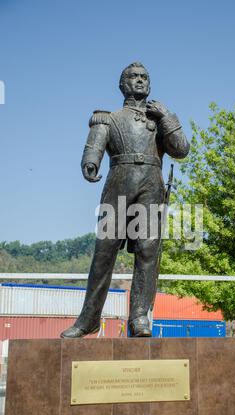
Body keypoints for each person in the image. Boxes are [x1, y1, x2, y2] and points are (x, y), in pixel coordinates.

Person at [60, 62, 189, 338]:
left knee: (147, 250)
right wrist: (91, 162)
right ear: (122, 84)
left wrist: (168, 117)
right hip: (119, 183)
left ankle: (140, 318)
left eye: (144, 77)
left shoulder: (158, 119)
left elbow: (181, 150)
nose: (140, 81)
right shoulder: (108, 118)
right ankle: (88, 319)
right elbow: (93, 147)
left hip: (151, 185)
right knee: (104, 251)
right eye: (133, 77)